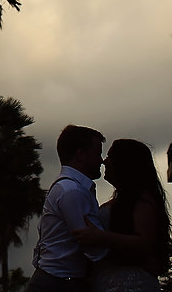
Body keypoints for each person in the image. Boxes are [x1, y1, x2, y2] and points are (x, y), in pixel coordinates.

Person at [73, 139, 171, 292]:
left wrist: (100, 237)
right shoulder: (121, 202)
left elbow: (144, 243)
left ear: (125, 164)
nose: (105, 161)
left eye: (110, 157)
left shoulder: (143, 201)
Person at [29, 124, 108, 292]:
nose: (101, 160)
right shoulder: (71, 191)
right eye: (97, 153)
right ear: (80, 154)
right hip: (59, 283)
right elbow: (92, 248)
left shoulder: (70, 188)